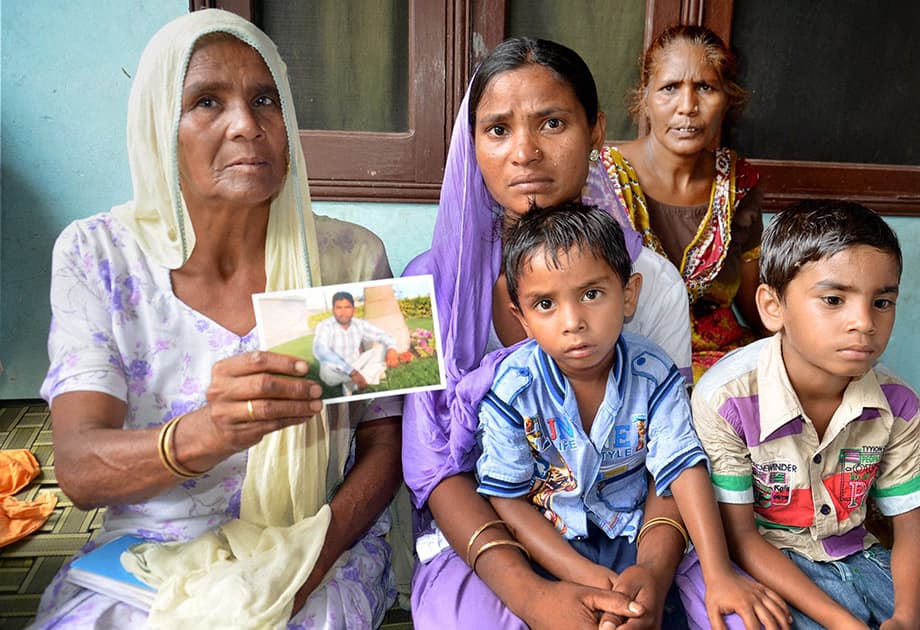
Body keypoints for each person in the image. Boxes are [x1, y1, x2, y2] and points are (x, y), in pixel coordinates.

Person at [31, 10, 401, 629]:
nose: (246, 126)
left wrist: (306, 561)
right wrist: (205, 433)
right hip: (149, 556)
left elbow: (384, 443)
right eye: (207, 101)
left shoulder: (350, 260)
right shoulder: (99, 256)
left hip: (310, 540)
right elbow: (78, 466)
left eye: (265, 100)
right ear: (159, 127)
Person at [402, 36, 718, 630]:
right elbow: (432, 468)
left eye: (552, 122)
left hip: (632, 528)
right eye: (497, 130)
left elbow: (670, 457)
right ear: (473, 145)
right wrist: (532, 596)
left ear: (597, 131)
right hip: (490, 537)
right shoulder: (424, 288)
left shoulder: (651, 282)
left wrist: (649, 573)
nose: (524, 152)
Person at [475, 202, 790, 630]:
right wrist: (582, 575)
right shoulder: (512, 390)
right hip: (549, 544)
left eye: (591, 294)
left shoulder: (653, 374)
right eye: (545, 303)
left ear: (628, 295)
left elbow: (683, 468)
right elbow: (508, 501)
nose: (573, 322)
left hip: (639, 536)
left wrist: (718, 574)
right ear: (522, 319)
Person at [690, 200, 920, 629]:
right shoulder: (728, 401)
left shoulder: (897, 404)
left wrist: (906, 618)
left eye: (882, 302)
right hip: (769, 560)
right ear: (773, 307)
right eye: (833, 299)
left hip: (857, 553)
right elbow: (741, 537)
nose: (863, 322)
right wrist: (844, 623)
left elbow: (913, 528)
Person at [599, 25, 765, 383]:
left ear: (727, 98)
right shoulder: (599, 180)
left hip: (722, 365)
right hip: (625, 359)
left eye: (705, 88)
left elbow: (755, 304)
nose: (687, 107)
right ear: (644, 96)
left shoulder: (738, 185)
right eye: (670, 88)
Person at [313, 291, 400, 393]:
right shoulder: (325, 326)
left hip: (356, 364)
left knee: (382, 348)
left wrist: (392, 349)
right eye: (339, 308)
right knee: (327, 369)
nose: (343, 312)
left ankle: (351, 384)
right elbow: (321, 351)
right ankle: (365, 377)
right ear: (333, 310)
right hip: (334, 370)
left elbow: (383, 335)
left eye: (347, 307)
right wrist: (352, 372)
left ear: (353, 309)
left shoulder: (359, 324)